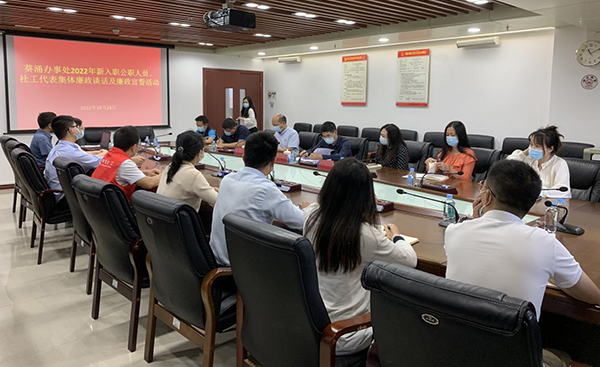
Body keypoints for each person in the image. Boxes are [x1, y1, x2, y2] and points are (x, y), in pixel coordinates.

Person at [445, 160, 600, 367]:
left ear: (486, 196)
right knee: (562, 355)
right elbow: (592, 296)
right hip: (514, 358)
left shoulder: (454, 232)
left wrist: (476, 220)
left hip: (458, 353)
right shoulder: (544, 243)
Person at [304, 158, 417, 356]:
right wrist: (397, 236)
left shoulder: (311, 215)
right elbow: (410, 260)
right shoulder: (365, 234)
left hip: (311, 325)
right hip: (347, 333)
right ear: (365, 195)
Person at [210, 131, 309, 266]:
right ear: (273, 162)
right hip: (244, 270)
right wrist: (307, 210)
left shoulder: (227, 180)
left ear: (243, 157)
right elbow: (301, 221)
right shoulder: (266, 189)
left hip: (218, 259)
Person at [44, 115, 106, 199]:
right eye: (76, 126)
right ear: (71, 130)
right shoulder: (70, 151)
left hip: (60, 191)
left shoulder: (61, 147)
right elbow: (98, 162)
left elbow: (85, 157)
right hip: (65, 196)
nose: (79, 128)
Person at [92, 125, 162, 200]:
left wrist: (146, 173)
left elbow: (118, 173)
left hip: (99, 202)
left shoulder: (109, 155)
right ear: (134, 147)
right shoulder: (125, 163)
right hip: (116, 204)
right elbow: (149, 183)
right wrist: (164, 174)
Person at [157, 131, 218, 210]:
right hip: (178, 217)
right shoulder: (194, 175)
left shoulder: (170, 167)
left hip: (163, 216)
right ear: (200, 152)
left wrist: (208, 189)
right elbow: (218, 201)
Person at [507, 125, 571, 199]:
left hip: (549, 203)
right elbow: (508, 165)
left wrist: (537, 191)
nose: (532, 148)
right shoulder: (530, 159)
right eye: (531, 144)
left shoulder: (560, 164)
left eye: (537, 146)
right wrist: (526, 152)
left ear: (550, 149)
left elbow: (562, 192)